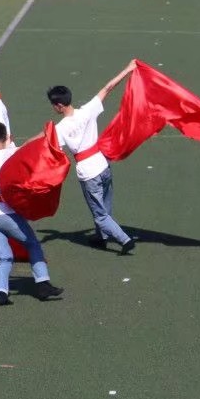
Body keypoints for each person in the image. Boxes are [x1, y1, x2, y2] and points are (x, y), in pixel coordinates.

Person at [47, 61, 137, 254]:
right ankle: (101, 237)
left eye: (53, 105)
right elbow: (108, 88)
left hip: (88, 172)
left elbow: (51, 147)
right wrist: (128, 69)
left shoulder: (61, 128)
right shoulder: (87, 110)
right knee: (106, 206)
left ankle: (124, 239)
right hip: (103, 165)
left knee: (100, 214)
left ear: (59, 106)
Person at [0, 121, 63, 305]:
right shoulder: (10, 153)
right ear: (7, 137)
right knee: (32, 245)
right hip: (5, 212)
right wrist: (46, 132)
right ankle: (43, 284)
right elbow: (30, 145)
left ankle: (1, 293)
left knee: (4, 258)